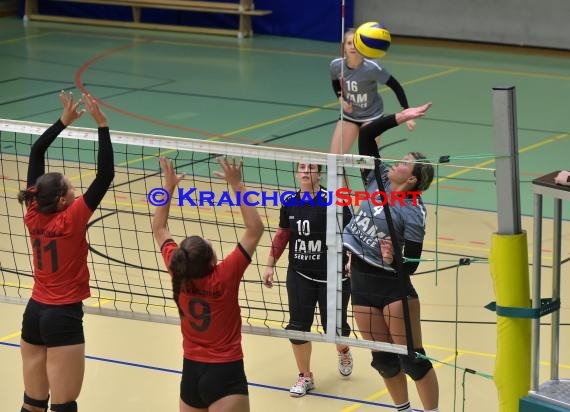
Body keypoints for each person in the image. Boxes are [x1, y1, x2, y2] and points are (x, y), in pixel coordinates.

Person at [17, 91, 114, 412]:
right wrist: (102, 125)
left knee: (32, 404)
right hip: (63, 316)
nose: (76, 190)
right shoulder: (72, 218)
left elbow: (36, 151)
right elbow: (105, 176)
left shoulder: (32, 211)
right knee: (63, 406)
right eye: (72, 188)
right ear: (61, 201)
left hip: (34, 313)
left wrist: (63, 122)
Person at [343, 102, 440, 412]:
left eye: (404, 163)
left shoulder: (413, 211)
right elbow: (368, 135)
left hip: (392, 289)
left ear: (411, 180)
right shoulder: (378, 178)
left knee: (412, 359)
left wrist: (393, 258)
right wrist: (401, 116)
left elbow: (411, 264)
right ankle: (402, 409)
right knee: (383, 360)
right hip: (360, 282)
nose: (397, 163)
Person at [152, 156, 264, 412]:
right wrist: (237, 185)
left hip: (191, 374)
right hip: (225, 374)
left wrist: (168, 187)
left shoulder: (177, 271)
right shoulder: (224, 276)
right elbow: (255, 228)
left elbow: (159, 228)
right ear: (213, 260)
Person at [262, 163, 353, 398]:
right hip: (299, 274)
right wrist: (270, 264)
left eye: (310, 168)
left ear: (319, 174)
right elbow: (283, 234)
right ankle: (305, 376)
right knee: (297, 328)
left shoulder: (332, 200)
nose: (305, 171)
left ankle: (343, 350)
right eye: (301, 167)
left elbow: (352, 232)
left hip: (332, 276)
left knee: (335, 328)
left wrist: (352, 259)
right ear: (296, 172)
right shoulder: (290, 201)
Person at [329, 28, 415, 155]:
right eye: (349, 43)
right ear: (344, 47)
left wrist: (407, 114)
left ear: (362, 46)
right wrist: (341, 99)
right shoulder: (336, 65)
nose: (352, 46)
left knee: (366, 164)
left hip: (372, 116)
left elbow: (396, 86)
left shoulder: (372, 68)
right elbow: (335, 82)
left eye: (355, 43)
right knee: (334, 161)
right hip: (349, 116)